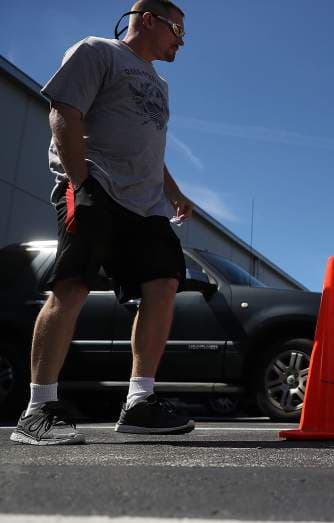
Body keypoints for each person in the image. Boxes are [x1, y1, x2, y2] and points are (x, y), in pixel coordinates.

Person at [11, 0, 196, 445]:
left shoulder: (160, 84)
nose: (180, 43)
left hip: (145, 204)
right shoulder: (97, 51)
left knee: (164, 283)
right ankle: (37, 410)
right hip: (96, 185)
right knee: (72, 286)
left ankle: (139, 403)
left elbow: (149, 147)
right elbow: (64, 112)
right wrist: (82, 181)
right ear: (148, 19)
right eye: (177, 31)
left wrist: (172, 191)